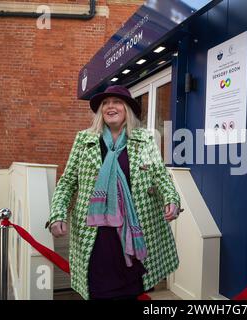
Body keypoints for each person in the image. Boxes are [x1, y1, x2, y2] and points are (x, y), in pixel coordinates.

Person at [47, 85, 181, 300]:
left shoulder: (144, 139)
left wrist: (171, 198)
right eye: (105, 103)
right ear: (101, 111)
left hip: (135, 229)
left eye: (117, 102)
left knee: (131, 288)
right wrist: (58, 213)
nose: (111, 107)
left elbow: (159, 174)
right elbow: (68, 182)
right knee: (100, 289)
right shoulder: (85, 140)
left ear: (127, 108)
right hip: (96, 232)